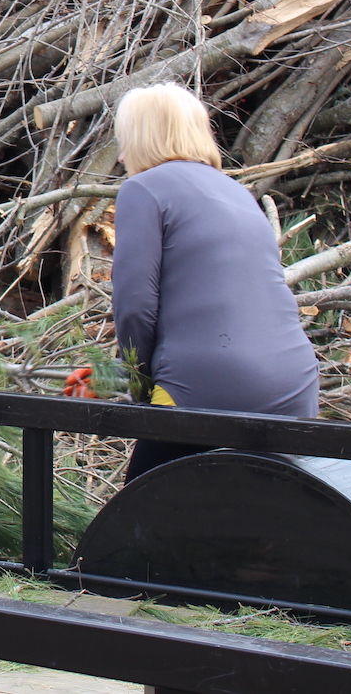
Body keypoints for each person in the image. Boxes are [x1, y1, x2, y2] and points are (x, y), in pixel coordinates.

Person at [110, 82, 319, 483]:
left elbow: (135, 306)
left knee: (141, 521)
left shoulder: (143, 189)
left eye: (125, 141)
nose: (121, 156)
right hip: (293, 386)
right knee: (250, 526)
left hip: (207, 387)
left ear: (143, 139)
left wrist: (132, 386)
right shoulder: (238, 193)